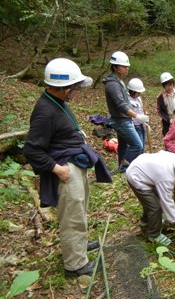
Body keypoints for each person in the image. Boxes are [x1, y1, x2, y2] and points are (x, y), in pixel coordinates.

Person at [23, 58, 112, 277]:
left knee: (79, 212)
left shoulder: (58, 103)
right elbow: (32, 150)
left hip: (74, 163)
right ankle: (76, 265)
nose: (77, 92)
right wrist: (57, 169)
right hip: (64, 170)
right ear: (65, 88)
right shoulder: (45, 111)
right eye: (75, 88)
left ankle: (79, 247)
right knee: (72, 218)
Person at [126, 151, 175, 246]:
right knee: (155, 207)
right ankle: (154, 235)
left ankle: (145, 222)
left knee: (150, 203)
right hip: (137, 178)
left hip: (144, 169)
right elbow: (166, 200)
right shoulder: (166, 177)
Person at [104, 51, 148, 172]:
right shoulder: (112, 84)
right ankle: (124, 168)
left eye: (127, 66)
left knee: (123, 145)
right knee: (137, 145)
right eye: (124, 66)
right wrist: (137, 116)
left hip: (124, 119)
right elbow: (121, 105)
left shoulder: (119, 81)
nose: (127, 68)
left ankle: (121, 167)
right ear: (115, 67)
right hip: (121, 120)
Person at [157, 72, 175, 136]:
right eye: (167, 85)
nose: (170, 87)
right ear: (164, 86)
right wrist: (168, 119)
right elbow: (160, 111)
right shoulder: (160, 97)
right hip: (168, 121)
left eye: (171, 84)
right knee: (168, 137)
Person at [127, 77, 147, 149]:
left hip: (142, 124)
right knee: (139, 146)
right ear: (133, 91)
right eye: (138, 92)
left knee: (143, 144)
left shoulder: (139, 98)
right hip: (135, 125)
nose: (139, 94)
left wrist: (144, 117)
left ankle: (140, 157)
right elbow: (128, 112)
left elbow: (141, 109)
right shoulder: (128, 99)